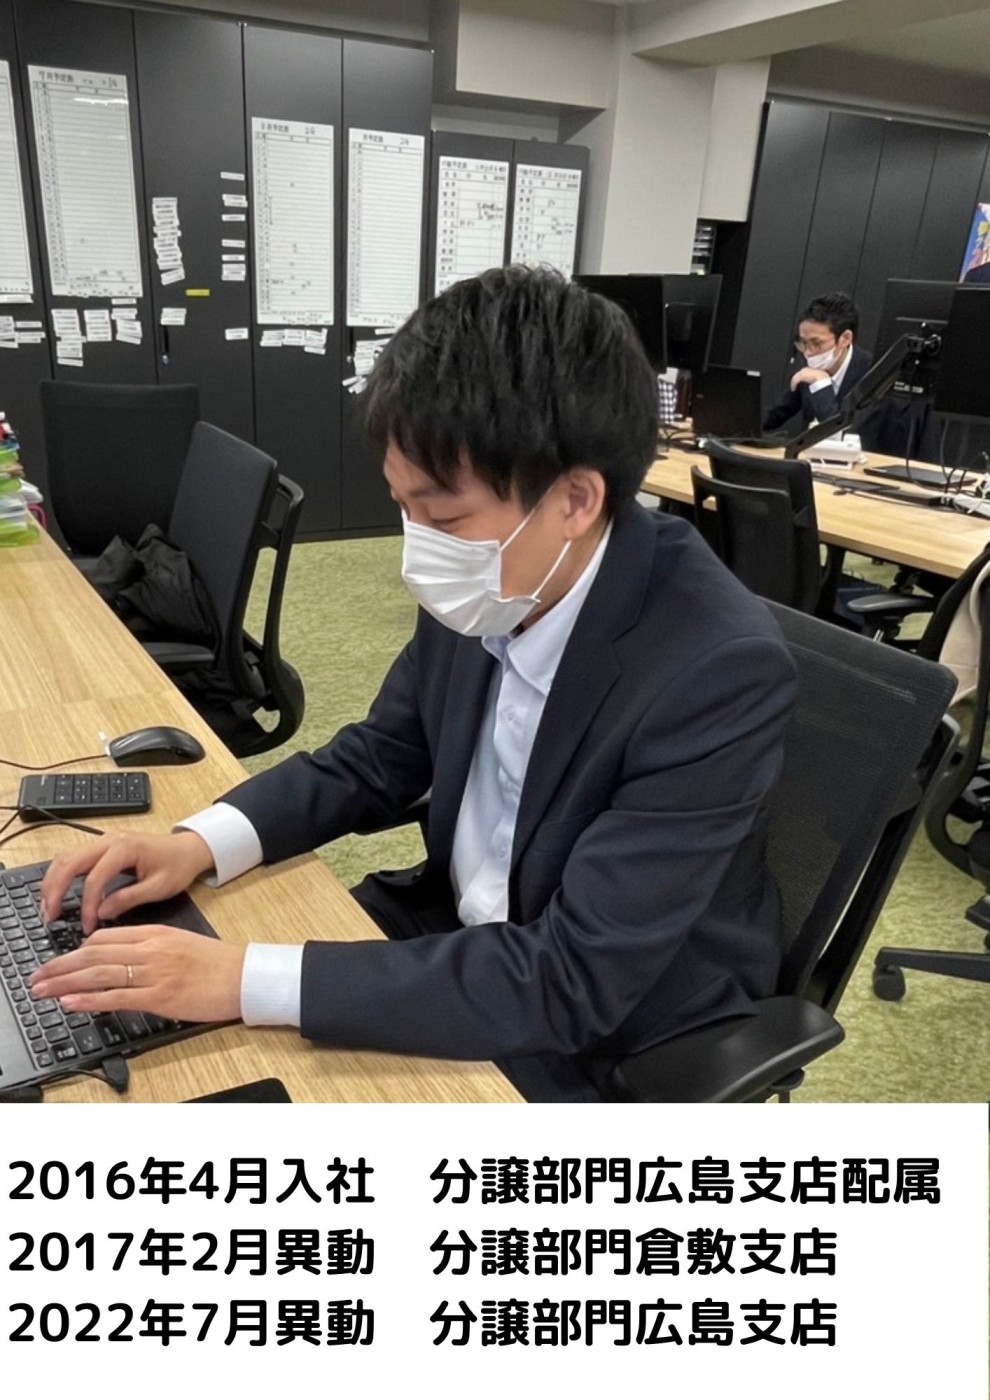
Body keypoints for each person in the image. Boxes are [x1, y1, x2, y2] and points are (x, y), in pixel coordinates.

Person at [32, 266, 797, 1103]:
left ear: (576, 500)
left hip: (603, 1023)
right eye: (403, 507)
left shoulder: (716, 670)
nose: (418, 548)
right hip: (460, 930)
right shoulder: (501, 574)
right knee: (164, 1051)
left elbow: (573, 977)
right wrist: (198, 845)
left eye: (443, 517)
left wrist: (240, 979)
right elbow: (381, 755)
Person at [762, 291, 873, 434]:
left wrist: (821, 384)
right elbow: (776, 414)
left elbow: (841, 434)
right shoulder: (809, 364)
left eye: (817, 343)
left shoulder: (871, 374)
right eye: (803, 343)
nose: (808, 352)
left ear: (845, 339)